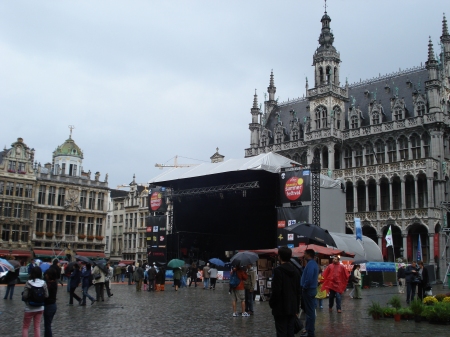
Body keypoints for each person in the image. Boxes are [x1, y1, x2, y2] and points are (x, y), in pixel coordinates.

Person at [269, 246, 301, 337]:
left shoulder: (278, 271)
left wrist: (272, 303)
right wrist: (297, 307)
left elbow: (276, 290)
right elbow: (298, 290)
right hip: (292, 306)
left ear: (279, 256)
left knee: (281, 331)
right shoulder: (296, 271)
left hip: (280, 307)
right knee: (290, 331)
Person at [22, 266, 48, 337]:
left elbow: (25, 296)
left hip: (29, 308)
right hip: (40, 308)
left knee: (25, 327)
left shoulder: (29, 283)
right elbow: (46, 295)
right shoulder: (43, 283)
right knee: (37, 327)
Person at [300, 249, 319, 337]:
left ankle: (310, 332)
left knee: (310, 312)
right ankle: (309, 329)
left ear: (308, 255)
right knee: (309, 311)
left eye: (305, 253)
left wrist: (304, 286)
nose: (304, 255)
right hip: (310, 289)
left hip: (309, 290)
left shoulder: (311, 264)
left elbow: (309, 277)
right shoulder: (312, 264)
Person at [43, 268, 58, 337]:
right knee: (47, 324)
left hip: (49, 305)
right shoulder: (54, 283)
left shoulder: (49, 284)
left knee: (47, 325)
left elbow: (46, 295)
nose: (46, 275)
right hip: (53, 305)